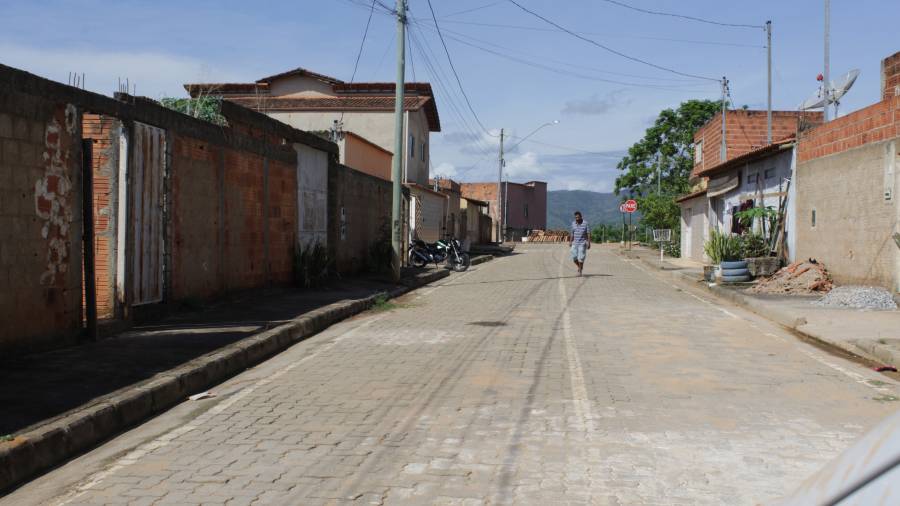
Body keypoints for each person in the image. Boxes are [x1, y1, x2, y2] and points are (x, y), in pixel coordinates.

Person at [569, 211, 590, 276]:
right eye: (576, 217)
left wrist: (589, 242)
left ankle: (580, 271)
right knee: (574, 257)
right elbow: (572, 233)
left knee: (581, 258)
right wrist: (570, 241)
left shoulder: (585, 223)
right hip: (574, 243)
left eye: (578, 217)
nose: (577, 218)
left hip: (582, 243)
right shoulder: (573, 223)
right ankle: (580, 267)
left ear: (581, 217)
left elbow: (588, 233)